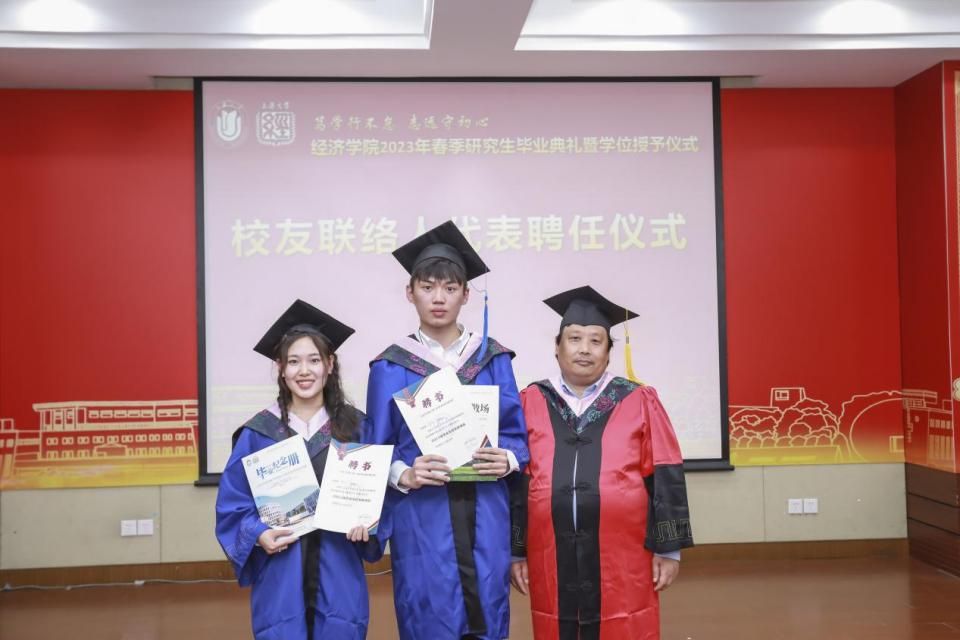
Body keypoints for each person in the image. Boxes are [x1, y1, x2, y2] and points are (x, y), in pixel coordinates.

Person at [366, 221, 530, 640]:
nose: (438, 298)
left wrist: (508, 458)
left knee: (489, 607)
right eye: (427, 287)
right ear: (410, 292)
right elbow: (376, 449)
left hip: (485, 511)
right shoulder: (390, 366)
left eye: (450, 287)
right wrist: (404, 473)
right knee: (427, 612)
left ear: (466, 294)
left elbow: (516, 437)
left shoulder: (492, 358)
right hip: (424, 517)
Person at [509, 286, 693, 640]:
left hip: (624, 556)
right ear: (557, 347)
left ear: (609, 352)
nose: (584, 349)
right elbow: (519, 483)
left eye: (596, 341)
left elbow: (665, 470)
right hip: (551, 553)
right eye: (574, 339)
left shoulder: (638, 399)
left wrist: (669, 549)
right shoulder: (531, 400)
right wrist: (515, 551)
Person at [215, 299, 383, 640]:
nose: (304, 371)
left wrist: (368, 523)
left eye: (314, 360)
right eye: (293, 361)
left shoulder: (356, 428)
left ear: (330, 364)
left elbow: (380, 498)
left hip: (339, 574)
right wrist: (258, 533)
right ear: (280, 367)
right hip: (280, 578)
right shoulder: (258, 433)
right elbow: (233, 506)